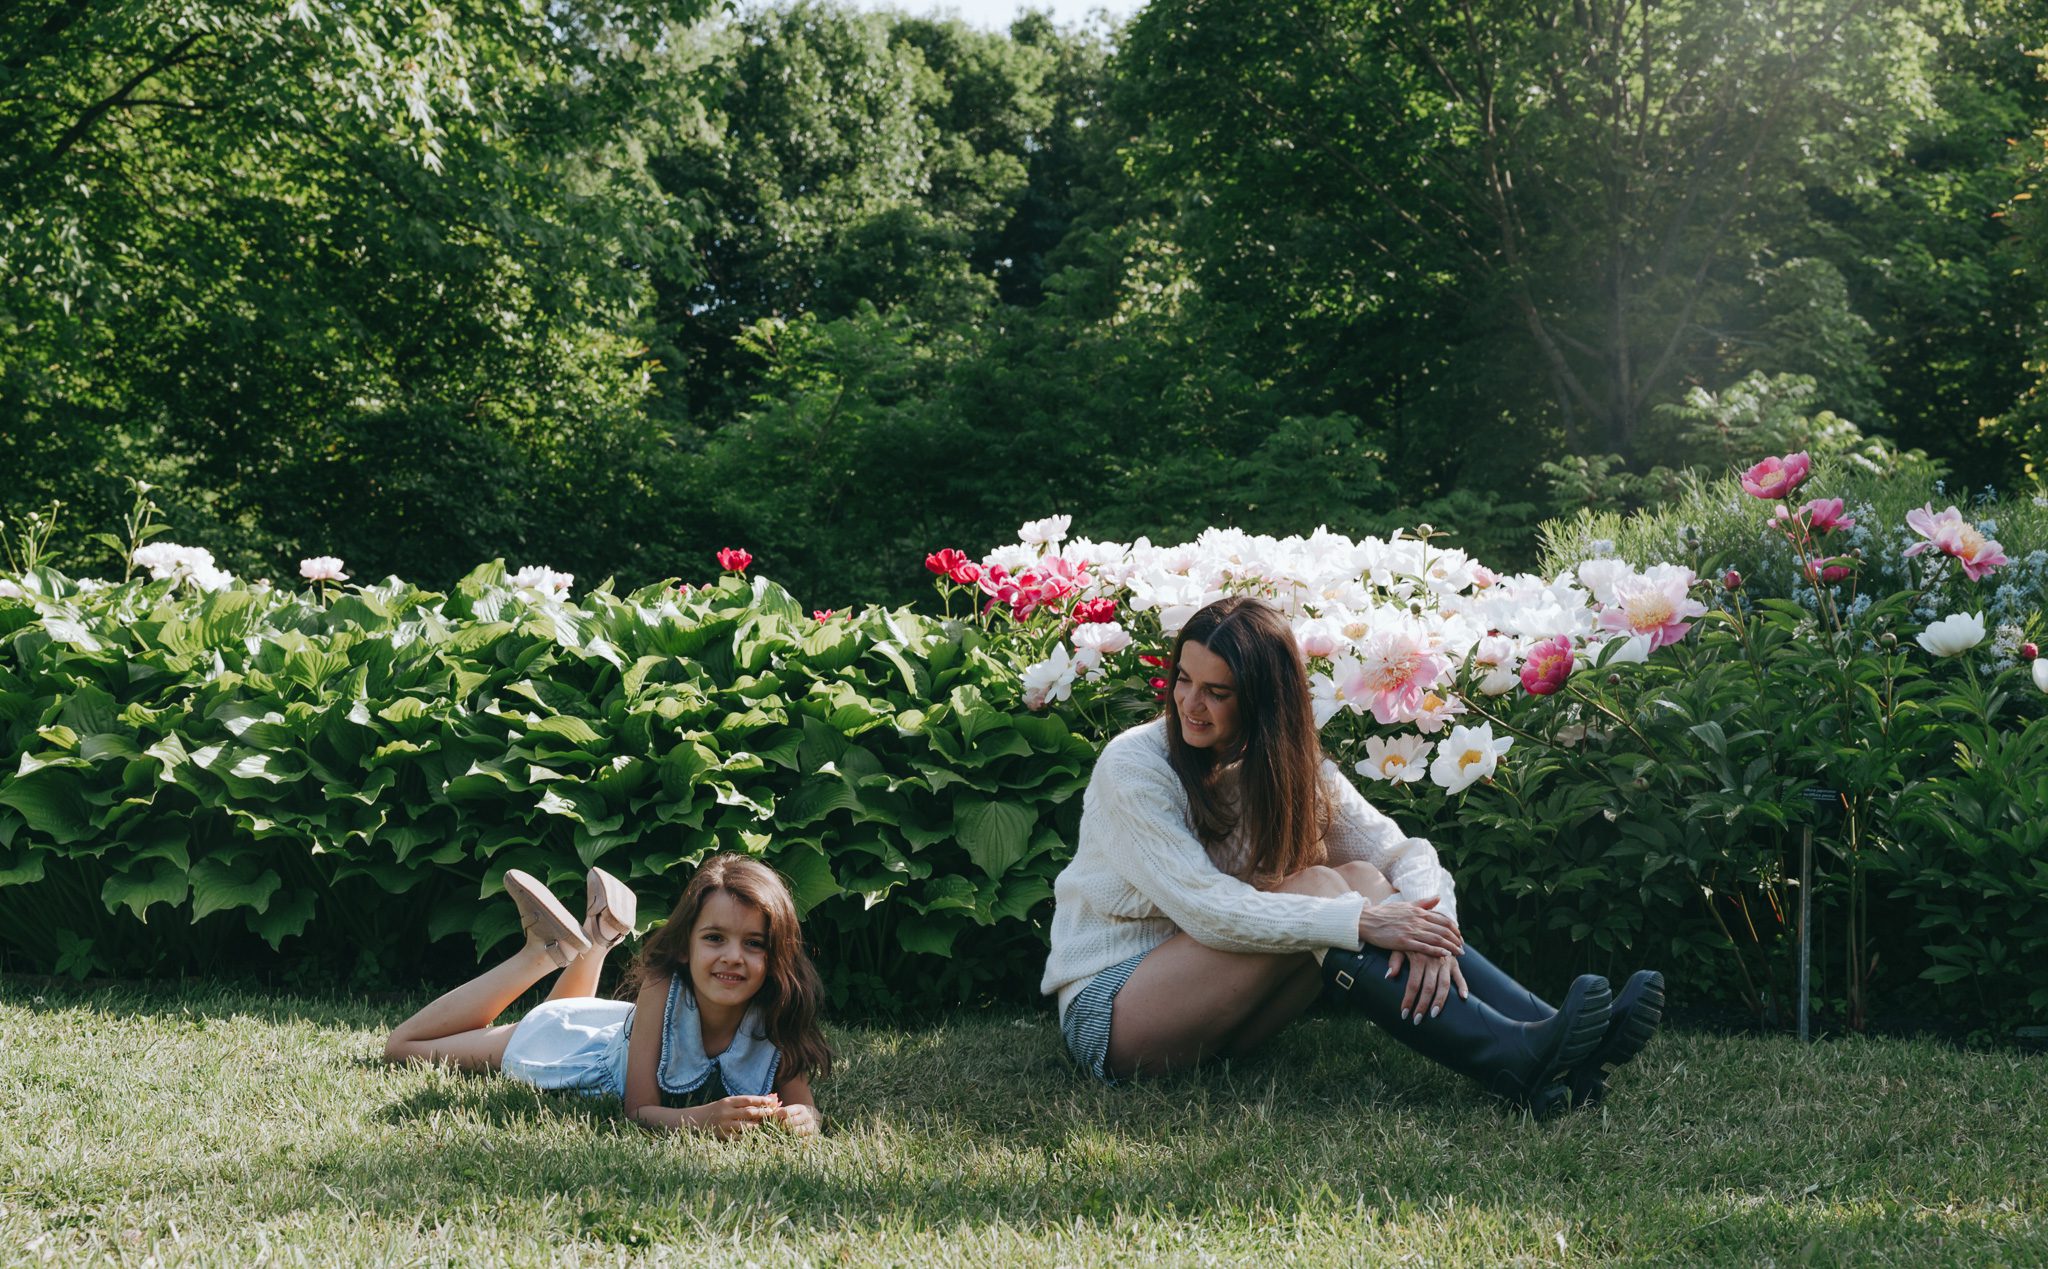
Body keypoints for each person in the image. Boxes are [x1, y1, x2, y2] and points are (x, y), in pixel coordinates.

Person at [1041, 596, 1663, 1117]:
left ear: (1261, 699)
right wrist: (1363, 921)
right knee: (1328, 892)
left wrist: (1427, 922)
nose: (1189, 704)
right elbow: (1206, 909)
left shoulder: (1287, 765)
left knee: (1363, 877)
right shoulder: (1136, 766)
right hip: (1115, 1013)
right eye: (1183, 680)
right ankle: (1511, 1056)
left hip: (1216, 1003)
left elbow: (1399, 851)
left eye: (1216, 692)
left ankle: (1552, 1036)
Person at [384, 854, 831, 1137]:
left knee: (562, 1009)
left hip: (610, 1025)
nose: (734, 956)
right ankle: (541, 954)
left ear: (778, 955)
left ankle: (598, 934)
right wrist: (703, 1119)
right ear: (685, 945)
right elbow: (639, 1112)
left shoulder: (778, 1010)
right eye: (715, 938)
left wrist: (803, 1119)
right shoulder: (661, 987)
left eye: (754, 943)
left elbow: (804, 1106)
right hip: (570, 1048)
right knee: (401, 1048)